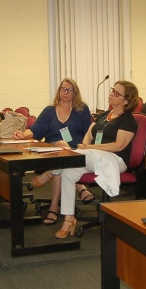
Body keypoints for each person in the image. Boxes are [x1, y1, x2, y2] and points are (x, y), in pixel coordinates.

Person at [52, 81, 138, 239]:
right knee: (68, 172)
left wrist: (89, 149)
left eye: (116, 93)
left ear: (126, 100)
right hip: (95, 157)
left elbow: (119, 146)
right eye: (112, 90)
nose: (111, 94)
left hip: (115, 160)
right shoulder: (106, 115)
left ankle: (50, 171)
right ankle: (69, 219)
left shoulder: (128, 120)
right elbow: (91, 132)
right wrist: (85, 145)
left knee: (70, 158)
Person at [12, 78, 92, 225]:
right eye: (63, 89)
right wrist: (24, 135)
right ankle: (81, 188)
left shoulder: (82, 110)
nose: (66, 92)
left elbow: (90, 132)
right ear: (59, 91)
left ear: (75, 93)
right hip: (53, 149)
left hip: (76, 151)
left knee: (61, 162)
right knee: (62, 149)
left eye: (69, 90)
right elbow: (36, 130)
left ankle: (53, 207)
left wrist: (84, 146)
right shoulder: (49, 111)